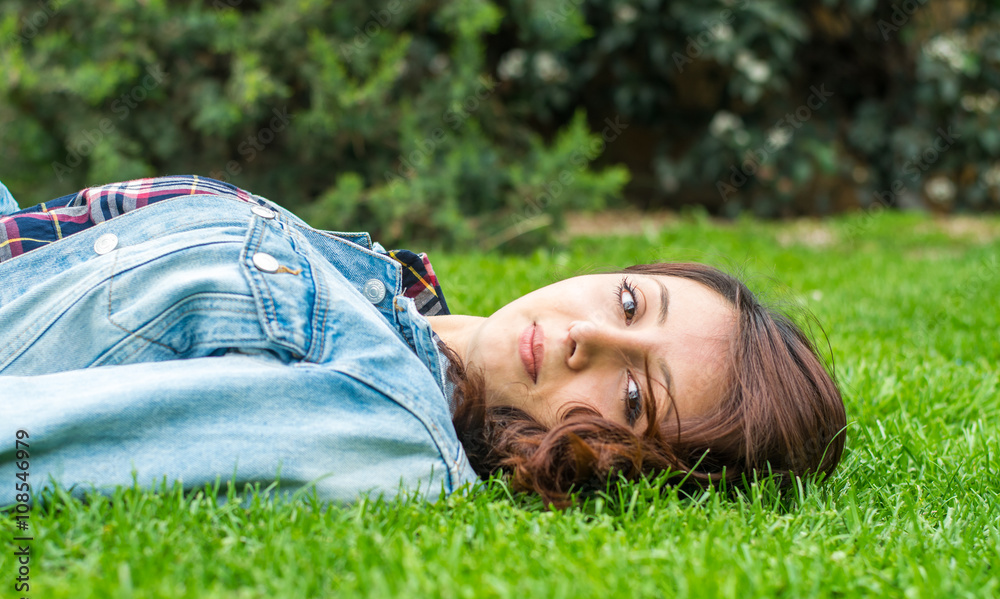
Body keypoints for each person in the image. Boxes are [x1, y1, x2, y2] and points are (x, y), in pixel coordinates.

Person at [0, 176, 846, 508]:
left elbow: (34, 435)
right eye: (630, 301)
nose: (586, 336)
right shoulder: (394, 293)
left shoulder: (388, 417)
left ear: (629, 466)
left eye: (633, 395)